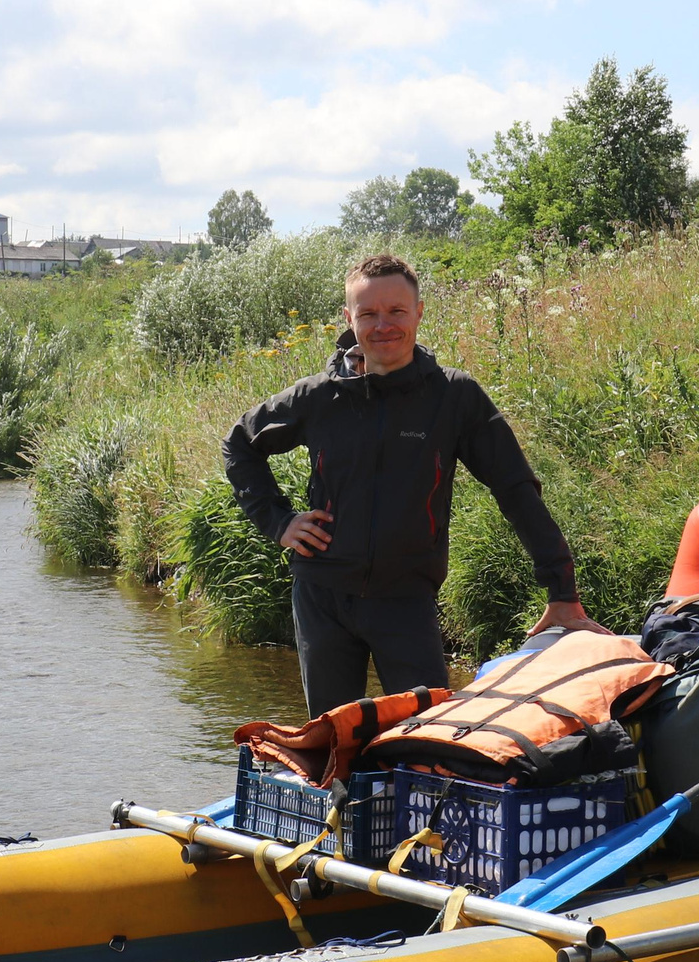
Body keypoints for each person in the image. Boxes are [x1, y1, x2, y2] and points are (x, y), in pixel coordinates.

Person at [224, 254, 605, 714]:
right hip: (322, 597)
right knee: (333, 745)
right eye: (368, 313)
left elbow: (515, 489)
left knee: (425, 738)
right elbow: (240, 445)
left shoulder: (453, 397)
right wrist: (278, 520)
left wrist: (562, 591)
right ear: (348, 319)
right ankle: (344, 788)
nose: (383, 325)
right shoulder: (318, 397)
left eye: (396, 311)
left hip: (406, 600)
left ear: (419, 312)